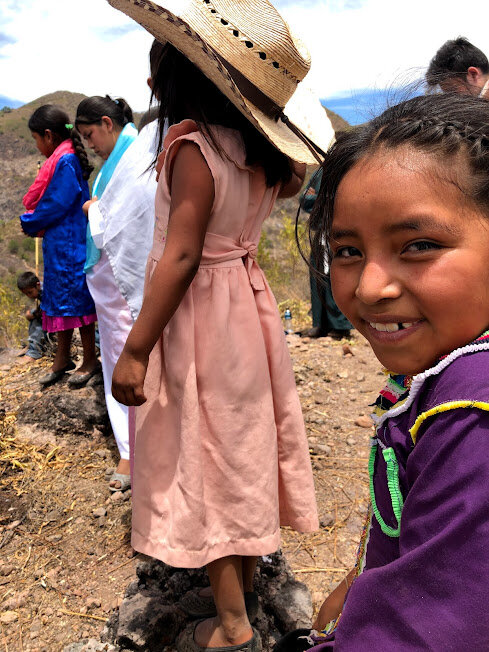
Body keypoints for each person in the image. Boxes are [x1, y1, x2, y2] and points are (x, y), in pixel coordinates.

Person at [107, 0, 323, 649]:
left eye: (158, 73)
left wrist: (136, 348)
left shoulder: (193, 148)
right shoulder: (261, 156)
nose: (151, 87)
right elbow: (292, 179)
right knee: (243, 451)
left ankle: (231, 626)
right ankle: (246, 589)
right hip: (249, 313)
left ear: (181, 81)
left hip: (200, 316)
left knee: (205, 459)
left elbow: (180, 254)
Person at [275, 92, 489, 650]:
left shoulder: (473, 421)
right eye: (346, 251)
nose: (369, 288)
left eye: (418, 245)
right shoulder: (439, 380)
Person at [75, 93, 155, 492]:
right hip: (112, 278)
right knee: (122, 355)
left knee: (124, 360)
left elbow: (129, 213)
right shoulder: (124, 153)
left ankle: (131, 449)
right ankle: (138, 443)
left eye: (90, 134)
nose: (89, 144)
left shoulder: (132, 152)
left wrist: (94, 209)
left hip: (122, 278)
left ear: (108, 123)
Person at [20, 105, 98, 387]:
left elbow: (58, 202)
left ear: (48, 135)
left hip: (71, 243)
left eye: (36, 138)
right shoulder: (65, 157)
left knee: (79, 300)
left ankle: (89, 359)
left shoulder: (64, 161)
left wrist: (30, 221)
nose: (37, 145)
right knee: (60, 301)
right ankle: (62, 358)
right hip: (61, 243)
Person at [299, 169, 352, 339]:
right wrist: (318, 198)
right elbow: (305, 199)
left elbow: (339, 199)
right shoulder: (319, 173)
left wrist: (320, 198)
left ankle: (340, 326)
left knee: (336, 277)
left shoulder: (346, 168)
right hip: (320, 232)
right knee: (318, 278)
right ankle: (320, 324)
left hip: (339, 232)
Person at [16, 271, 46, 363]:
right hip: (45, 311)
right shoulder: (39, 291)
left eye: (30, 292)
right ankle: (32, 344)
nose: (29, 296)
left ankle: (34, 352)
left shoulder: (46, 292)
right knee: (32, 315)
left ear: (37, 285)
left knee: (37, 321)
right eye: (26, 294)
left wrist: (34, 315)